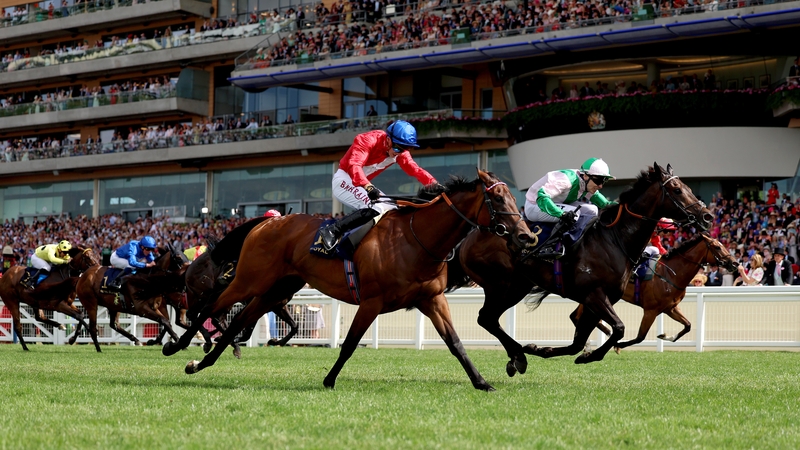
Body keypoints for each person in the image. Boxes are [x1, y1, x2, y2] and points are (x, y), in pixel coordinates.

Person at [319, 120, 437, 250]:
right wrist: (368, 186)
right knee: (377, 206)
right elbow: (355, 166)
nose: (399, 152)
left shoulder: (400, 151)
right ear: (388, 140)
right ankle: (332, 230)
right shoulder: (367, 140)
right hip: (344, 179)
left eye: (405, 149)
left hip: (361, 184)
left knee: (393, 210)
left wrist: (434, 185)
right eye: (397, 148)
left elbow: (415, 170)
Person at [523, 157, 616, 258]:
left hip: (554, 203)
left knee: (593, 210)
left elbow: (605, 204)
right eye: (598, 181)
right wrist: (560, 214)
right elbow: (542, 197)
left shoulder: (586, 183)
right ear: (585, 176)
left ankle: (580, 240)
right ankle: (547, 246)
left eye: (604, 181)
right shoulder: (566, 180)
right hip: (535, 206)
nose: (601, 186)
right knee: (573, 214)